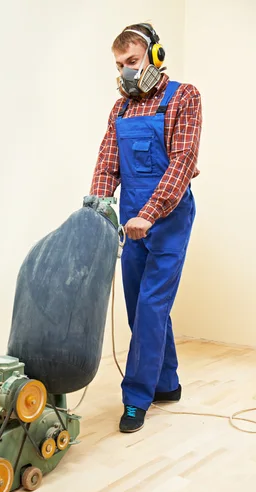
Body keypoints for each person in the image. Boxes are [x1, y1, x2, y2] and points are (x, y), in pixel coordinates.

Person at [89, 22, 202, 433]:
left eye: (133, 61)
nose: (126, 72)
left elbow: (183, 162)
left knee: (153, 304)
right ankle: (167, 383)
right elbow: (107, 163)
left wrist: (150, 213)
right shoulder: (120, 109)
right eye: (120, 65)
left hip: (168, 218)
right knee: (140, 305)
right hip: (131, 216)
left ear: (155, 56)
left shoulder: (184, 97)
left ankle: (137, 397)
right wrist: (97, 207)